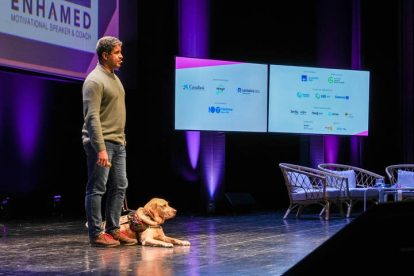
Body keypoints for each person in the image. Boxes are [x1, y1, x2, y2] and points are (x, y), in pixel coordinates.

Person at [82, 36, 137, 247]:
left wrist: (121, 139)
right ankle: (96, 233)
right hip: (101, 144)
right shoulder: (94, 80)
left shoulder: (114, 77)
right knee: (97, 188)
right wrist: (100, 149)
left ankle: (113, 230)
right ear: (105, 55)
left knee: (120, 186)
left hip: (118, 143)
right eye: (117, 52)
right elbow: (92, 117)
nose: (121, 56)